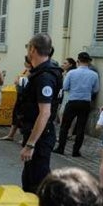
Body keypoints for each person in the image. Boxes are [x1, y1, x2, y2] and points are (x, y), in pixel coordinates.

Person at [20, 33, 62, 193]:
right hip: (38, 133)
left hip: (41, 137)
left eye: (28, 47)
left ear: (32, 49)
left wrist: (31, 144)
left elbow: (44, 113)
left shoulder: (45, 76)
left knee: (38, 184)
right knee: (30, 181)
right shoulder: (41, 72)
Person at [55, 52, 99, 157]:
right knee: (81, 127)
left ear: (78, 61)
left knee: (65, 126)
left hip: (73, 101)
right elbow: (96, 89)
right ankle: (75, 151)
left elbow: (65, 87)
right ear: (88, 62)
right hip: (85, 102)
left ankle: (61, 148)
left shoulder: (71, 73)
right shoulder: (94, 74)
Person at [0, 56, 31, 142]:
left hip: (25, 96)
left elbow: (20, 81)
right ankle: (11, 135)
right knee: (16, 114)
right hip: (20, 94)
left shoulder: (31, 71)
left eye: (26, 62)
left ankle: (25, 138)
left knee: (23, 116)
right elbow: (17, 80)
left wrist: (19, 79)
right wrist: (18, 79)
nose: (24, 63)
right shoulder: (25, 70)